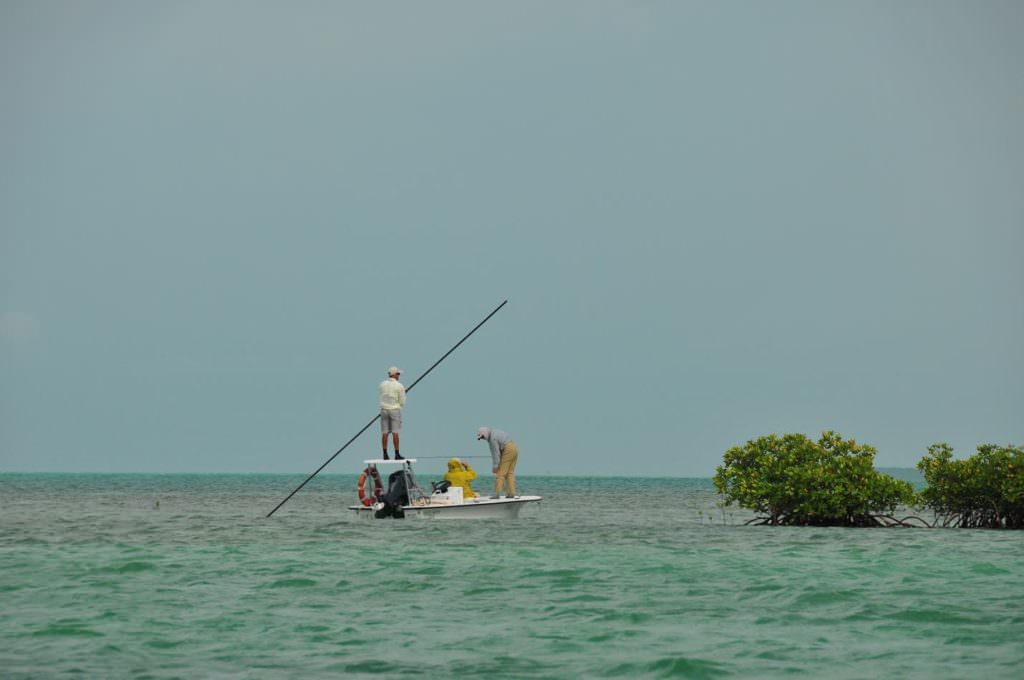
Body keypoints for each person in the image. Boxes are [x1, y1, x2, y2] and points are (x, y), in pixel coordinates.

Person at [477, 427, 518, 498]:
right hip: (514, 448)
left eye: (482, 436)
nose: (483, 439)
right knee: (509, 473)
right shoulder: (495, 432)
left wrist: (495, 466)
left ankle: (497, 494)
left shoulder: (492, 439)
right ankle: (511, 493)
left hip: (507, 449)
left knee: (500, 473)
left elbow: (495, 453)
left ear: (485, 433)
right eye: (481, 438)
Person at [379, 366, 406, 460]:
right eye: (398, 374)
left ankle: (385, 454)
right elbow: (402, 401)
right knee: (395, 433)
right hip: (394, 410)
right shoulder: (399, 386)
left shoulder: (382, 384)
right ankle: (397, 454)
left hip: (384, 410)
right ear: (394, 375)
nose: (399, 376)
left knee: (385, 433)